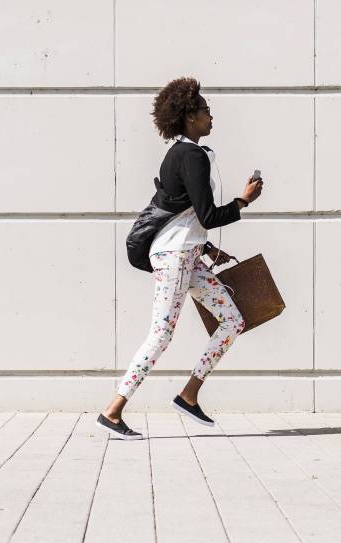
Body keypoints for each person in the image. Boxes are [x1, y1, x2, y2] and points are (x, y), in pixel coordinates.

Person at [97, 77, 264, 439]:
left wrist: (206, 248)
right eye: (206, 110)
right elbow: (208, 215)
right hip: (174, 257)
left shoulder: (184, 154)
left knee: (233, 320)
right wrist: (243, 201)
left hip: (186, 254)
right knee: (161, 335)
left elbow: (185, 214)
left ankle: (189, 395)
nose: (211, 116)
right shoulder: (191, 156)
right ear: (189, 116)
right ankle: (112, 411)